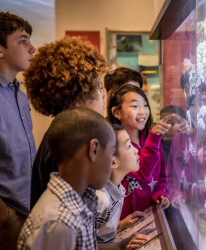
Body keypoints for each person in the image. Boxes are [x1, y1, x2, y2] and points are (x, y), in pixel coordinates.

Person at [17, 107, 115, 250]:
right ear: (93, 149)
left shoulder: (76, 203)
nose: (112, 162)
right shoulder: (59, 222)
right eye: (112, 152)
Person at [27, 36, 107, 209]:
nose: (104, 96)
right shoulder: (71, 141)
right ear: (80, 91)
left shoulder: (61, 130)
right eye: (99, 88)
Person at [0, 11, 36, 249]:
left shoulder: (20, 95)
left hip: (25, 209)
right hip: (1, 218)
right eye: (23, 41)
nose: (32, 48)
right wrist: (3, 215)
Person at [107, 84, 173, 220]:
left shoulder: (152, 138)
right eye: (135, 106)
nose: (142, 111)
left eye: (145, 105)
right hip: (125, 221)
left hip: (151, 216)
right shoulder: (116, 145)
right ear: (116, 112)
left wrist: (160, 193)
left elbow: (162, 175)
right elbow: (141, 172)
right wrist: (154, 138)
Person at [96, 124, 149, 250]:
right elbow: (81, 245)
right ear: (113, 162)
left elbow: (100, 231)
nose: (136, 150)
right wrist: (119, 246)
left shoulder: (118, 188)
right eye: (129, 146)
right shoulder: (100, 199)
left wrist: (119, 225)